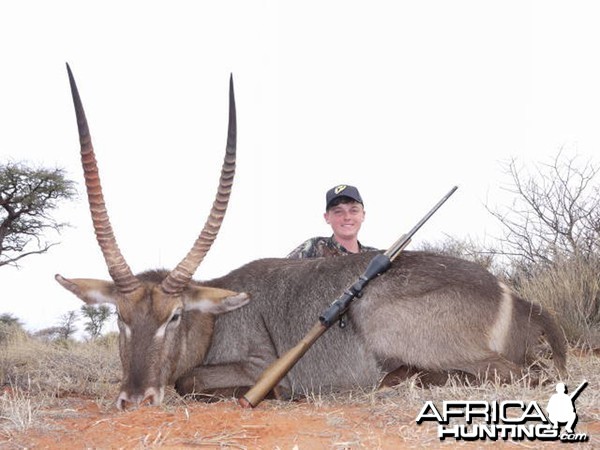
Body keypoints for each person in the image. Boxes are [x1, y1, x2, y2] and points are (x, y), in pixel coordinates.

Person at [287, 184, 378, 258]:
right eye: (338, 212)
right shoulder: (313, 247)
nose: (347, 217)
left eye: (353, 210)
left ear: (363, 215)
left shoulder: (375, 257)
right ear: (327, 217)